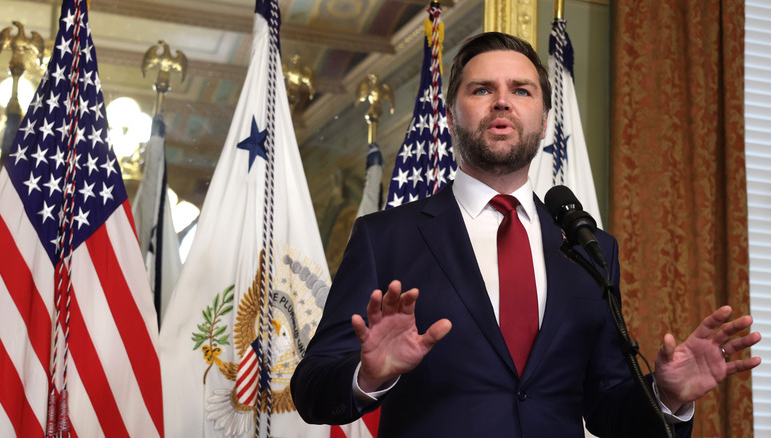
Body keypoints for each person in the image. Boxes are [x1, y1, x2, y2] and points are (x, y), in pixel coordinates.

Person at [290, 32, 761, 437]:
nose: (502, 101)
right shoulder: (385, 237)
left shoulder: (588, 247)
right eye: (481, 89)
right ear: (451, 116)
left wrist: (667, 397)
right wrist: (367, 378)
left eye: (521, 90)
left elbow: (607, 407)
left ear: (542, 119)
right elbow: (312, 388)